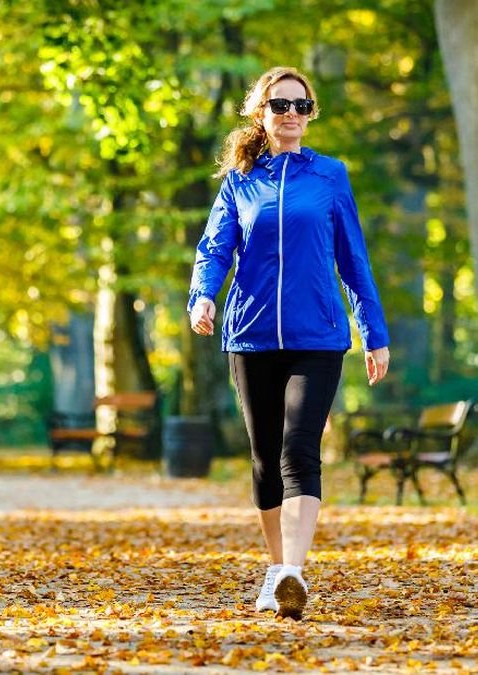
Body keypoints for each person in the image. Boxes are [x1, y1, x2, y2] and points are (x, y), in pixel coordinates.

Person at [187, 66, 391, 620]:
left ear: (311, 114)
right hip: (251, 336)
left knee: (299, 449)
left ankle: (293, 573)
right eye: (281, 105)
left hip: (318, 336)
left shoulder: (329, 176)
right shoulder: (241, 180)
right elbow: (214, 248)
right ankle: (276, 568)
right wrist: (202, 297)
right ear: (262, 113)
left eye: (302, 106)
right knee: (264, 459)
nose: (292, 115)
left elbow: (353, 259)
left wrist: (373, 333)